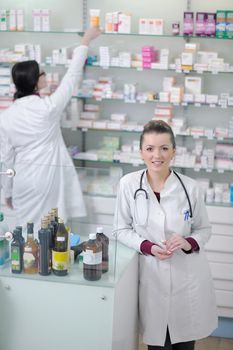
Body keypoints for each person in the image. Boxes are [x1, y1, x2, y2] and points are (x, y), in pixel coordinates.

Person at [113, 120, 218, 349]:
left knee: (184, 343)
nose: (156, 155)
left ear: (174, 152)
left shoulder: (190, 188)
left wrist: (188, 241)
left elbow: (204, 229)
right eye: (150, 148)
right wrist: (147, 246)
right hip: (151, 277)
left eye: (164, 148)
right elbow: (120, 229)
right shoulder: (128, 184)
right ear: (141, 152)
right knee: (157, 344)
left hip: (186, 278)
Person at [0, 27, 101, 230]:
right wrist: (85, 41)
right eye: (42, 73)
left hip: (22, 181)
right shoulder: (49, 107)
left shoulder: (6, 116)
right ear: (37, 82)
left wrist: (7, 192)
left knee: (26, 233)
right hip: (46, 179)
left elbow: (6, 159)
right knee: (51, 231)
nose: (45, 76)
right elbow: (72, 75)